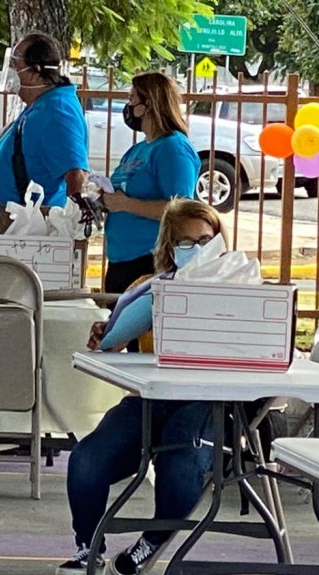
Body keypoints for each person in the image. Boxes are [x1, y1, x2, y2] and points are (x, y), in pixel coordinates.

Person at [58, 199, 227, 575]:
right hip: (148, 398)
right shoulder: (146, 287)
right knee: (87, 459)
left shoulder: (240, 287)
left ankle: (152, 541)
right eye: (186, 243)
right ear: (169, 247)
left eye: (205, 240)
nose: (197, 250)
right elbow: (113, 341)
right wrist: (103, 332)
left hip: (206, 402)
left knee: (181, 459)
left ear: (219, 242)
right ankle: (88, 547)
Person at [100, 72, 200, 302]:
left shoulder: (172, 148)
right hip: (121, 260)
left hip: (150, 260)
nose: (128, 106)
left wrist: (126, 204)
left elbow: (180, 210)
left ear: (148, 105)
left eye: (132, 98)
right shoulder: (138, 149)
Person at [0, 32, 88, 207]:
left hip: (25, 225)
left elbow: (76, 175)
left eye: (15, 64)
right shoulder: (42, 104)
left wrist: (72, 225)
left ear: (35, 71)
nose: (10, 71)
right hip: (10, 220)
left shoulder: (58, 112)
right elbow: (19, 129)